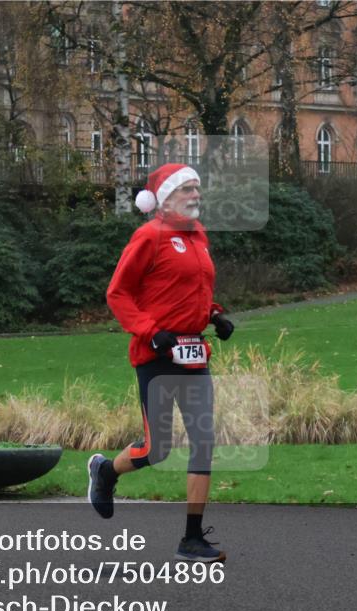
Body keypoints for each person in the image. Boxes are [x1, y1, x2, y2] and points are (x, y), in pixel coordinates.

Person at [87, 162, 235, 563]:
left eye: (197, 188)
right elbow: (118, 294)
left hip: (193, 353)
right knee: (158, 449)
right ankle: (105, 472)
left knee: (204, 443)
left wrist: (214, 316)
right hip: (156, 355)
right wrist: (150, 331)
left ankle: (191, 539)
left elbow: (190, 291)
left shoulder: (198, 236)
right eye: (186, 188)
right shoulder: (148, 236)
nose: (195, 195)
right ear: (165, 198)